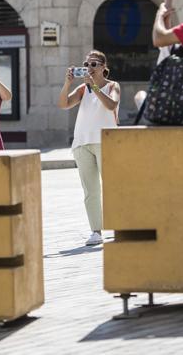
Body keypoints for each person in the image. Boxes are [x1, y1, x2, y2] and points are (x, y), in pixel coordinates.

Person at [57, 51, 120, 246]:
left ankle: (120, 226)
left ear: (103, 66)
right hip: (82, 143)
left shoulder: (112, 86)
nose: (89, 68)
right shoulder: (83, 89)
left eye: (93, 64)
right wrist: (67, 83)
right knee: (90, 190)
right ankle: (96, 231)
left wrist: (95, 87)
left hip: (105, 141)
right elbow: (63, 104)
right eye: (86, 64)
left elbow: (112, 105)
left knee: (112, 187)